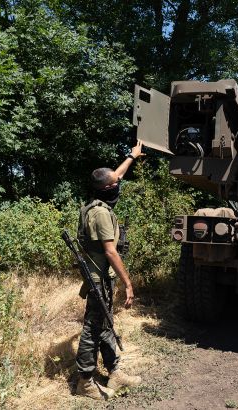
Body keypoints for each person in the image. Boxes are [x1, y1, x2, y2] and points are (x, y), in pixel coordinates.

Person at [74, 140, 144, 400]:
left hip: (102, 277)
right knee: (93, 328)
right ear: (106, 189)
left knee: (105, 323)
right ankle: (85, 381)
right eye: (115, 184)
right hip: (98, 278)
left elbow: (117, 175)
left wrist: (132, 156)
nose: (119, 185)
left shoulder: (98, 201)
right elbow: (110, 251)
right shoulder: (101, 214)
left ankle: (115, 372)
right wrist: (128, 283)